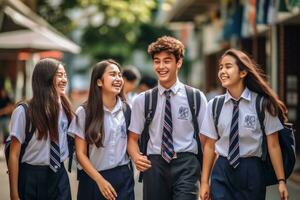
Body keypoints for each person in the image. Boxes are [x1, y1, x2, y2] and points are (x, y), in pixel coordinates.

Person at [200, 48, 289, 200]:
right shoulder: (214, 105)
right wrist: (204, 182)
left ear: (242, 73)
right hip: (222, 169)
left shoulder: (263, 104)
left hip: (252, 170)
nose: (222, 71)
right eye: (220, 67)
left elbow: (273, 145)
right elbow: (210, 145)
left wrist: (281, 181)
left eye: (228, 66)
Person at [127, 36, 207, 200]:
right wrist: (136, 156)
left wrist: (205, 180)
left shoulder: (196, 97)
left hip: (187, 164)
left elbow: (207, 142)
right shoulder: (142, 100)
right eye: (157, 61)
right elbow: (132, 138)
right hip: (154, 165)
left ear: (179, 63)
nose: (161, 66)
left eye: (167, 61)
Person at [68, 59, 134, 200]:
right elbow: (80, 153)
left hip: (123, 178)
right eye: (112, 74)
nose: (118, 79)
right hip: (93, 179)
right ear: (99, 82)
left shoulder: (127, 110)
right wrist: (99, 180)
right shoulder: (85, 112)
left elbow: (132, 143)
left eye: (119, 75)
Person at [8, 58, 73, 200]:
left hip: (59, 174)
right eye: (59, 75)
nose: (64, 79)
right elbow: (14, 154)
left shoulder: (66, 109)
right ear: (46, 78)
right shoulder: (24, 111)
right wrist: (14, 193)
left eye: (65, 75)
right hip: (32, 177)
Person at [0, 76, 14, 144]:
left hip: (6, 119)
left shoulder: (7, 97)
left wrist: (3, 111)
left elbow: (11, 107)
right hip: (1, 119)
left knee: (8, 135)